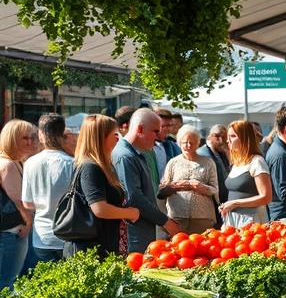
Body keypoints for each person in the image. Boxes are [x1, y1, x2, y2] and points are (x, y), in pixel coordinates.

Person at [63, 115, 139, 258]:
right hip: (91, 251)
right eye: (114, 134)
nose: (118, 138)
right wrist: (130, 213)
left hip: (102, 246)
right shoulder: (90, 167)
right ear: (100, 137)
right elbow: (100, 209)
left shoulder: (100, 166)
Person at [113, 108, 180, 253]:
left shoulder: (139, 153)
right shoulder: (125, 156)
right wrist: (166, 222)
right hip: (134, 235)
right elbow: (134, 197)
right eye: (155, 131)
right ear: (140, 129)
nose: (158, 137)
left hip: (142, 231)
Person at [22, 114, 75, 263]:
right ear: (62, 133)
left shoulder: (30, 163)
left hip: (41, 237)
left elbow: (28, 204)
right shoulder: (72, 163)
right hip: (68, 235)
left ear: (40, 134)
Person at [158, 126, 219, 234]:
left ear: (198, 143)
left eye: (192, 142)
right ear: (179, 143)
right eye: (185, 142)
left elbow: (215, 189)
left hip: (203, 218)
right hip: (177, 217)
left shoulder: (208, 162)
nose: (188, 146)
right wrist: (175, 186)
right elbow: (162, 190)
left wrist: (203, 188)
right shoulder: (173, 163)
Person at [0, 120, 36, 287]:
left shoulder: (12, 161)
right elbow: (19, 201)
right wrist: (28, 223)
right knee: (6, 284)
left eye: (32, 137)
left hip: (9, 232)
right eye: (24, 138)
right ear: (12, 139)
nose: (30, 142)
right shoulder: (8, 164)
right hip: (12, 233)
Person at [221, 120, 272, 229]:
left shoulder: (257, 162)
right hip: (233, 219)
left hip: (252, 220)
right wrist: (227, 206)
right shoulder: (236, 162)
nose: (227, 140)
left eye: (233, 136)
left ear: (245, 138)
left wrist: (235, 203)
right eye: (228, 136)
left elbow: (266, 197)